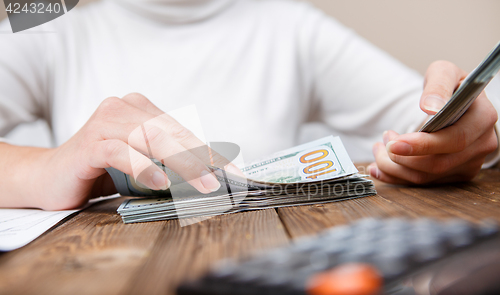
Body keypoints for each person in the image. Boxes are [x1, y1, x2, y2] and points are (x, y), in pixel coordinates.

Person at [0, 0, 498, 210]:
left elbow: (428, 125)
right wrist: (38, 170)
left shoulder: (290, 24)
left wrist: (463, 131)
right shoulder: (51, 23)